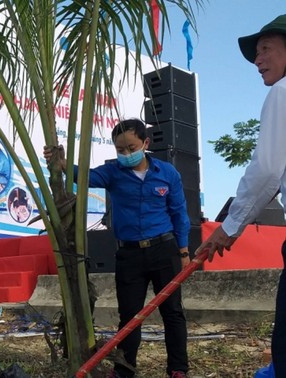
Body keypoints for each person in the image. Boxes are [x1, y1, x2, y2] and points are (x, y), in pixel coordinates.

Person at [44, 119, 191, 378]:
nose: (126, 154)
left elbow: (179, 213)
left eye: (131, 147)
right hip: (129, 254)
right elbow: (86, 176)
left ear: (145, 143)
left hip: (164, 250)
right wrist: (63, 164)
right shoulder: (113, 173)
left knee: (173, 312)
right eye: (120, 150)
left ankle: (178, 369)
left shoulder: (167, 173)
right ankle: (124, 370)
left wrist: (184, 252)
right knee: (129, 317)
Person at [197, 15, 286, 377]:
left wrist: (230, 226)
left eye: (265, 49)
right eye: (255, 54)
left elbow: (267, 170)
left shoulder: (282, 92)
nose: (257, 60)